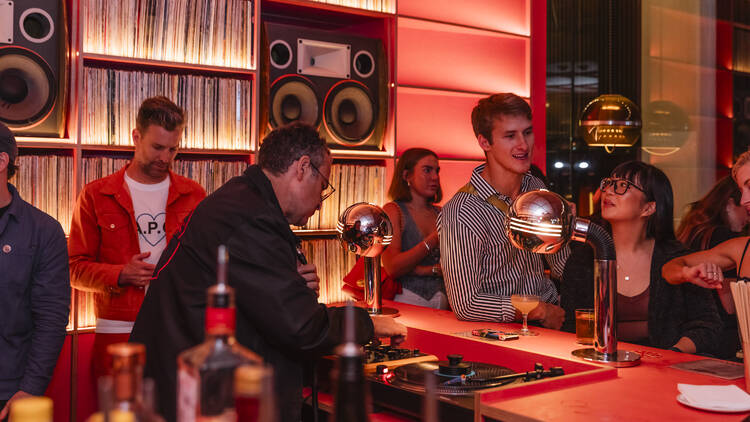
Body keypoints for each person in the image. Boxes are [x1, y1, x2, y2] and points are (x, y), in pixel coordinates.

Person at [129, 122, 407, 422]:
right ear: (302, 168)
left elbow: (254, 293)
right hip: (191, 391)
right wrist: (367, 324)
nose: (319, 202)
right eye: (322, 186)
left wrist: (289, 281)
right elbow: (299, 326)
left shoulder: (243, 199)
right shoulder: (252, 217)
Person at [68, 96, 206, 382]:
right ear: (136, 136)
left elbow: (210, 262)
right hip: (117, 328)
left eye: (173, 149)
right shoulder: (96, 195)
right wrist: (121, 274)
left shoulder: (194, 195)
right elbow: (74, 268)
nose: (165, 158)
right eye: (157, 147)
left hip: (178, 324)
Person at [561, 161, 721, 354]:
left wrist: (672, 354)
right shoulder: (584, 257)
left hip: (662, 369)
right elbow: (570, 324)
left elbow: (708, 326)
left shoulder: (675, 258)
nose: (609, 191)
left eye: (622, 186)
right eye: (609, 183)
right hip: (599, 365)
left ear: (649, 208)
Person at [438, 93, 568, 327]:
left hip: (552, 320)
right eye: (510, 136)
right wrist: (537, 310)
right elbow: (467, 304)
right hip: (502, 335)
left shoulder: (535, 187)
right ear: (484, 142)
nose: (523, 144)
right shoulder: (462, 212)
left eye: (527, 132)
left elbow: (560, 264)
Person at [0, 123, 70, 419]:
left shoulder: (44, 231)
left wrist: (29, 390)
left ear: (2, 161)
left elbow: (52, 318)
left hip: (9, 389)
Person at [675, 176, 748, 358]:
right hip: (718, 336)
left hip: (692, 330)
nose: (748, 216)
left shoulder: (695, 230)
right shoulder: (726, 238)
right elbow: (730, 305)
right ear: (730, 203)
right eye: (745, 211)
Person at [381, 148, 447, 309]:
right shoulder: (393, 210)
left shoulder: (442, 212)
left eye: (437, 171)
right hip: (406, 300)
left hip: (443, 303)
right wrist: (433, 240)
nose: (435, 177)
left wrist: (420, 270)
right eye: (427, 170)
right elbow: (393, 268)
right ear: (406, 175)